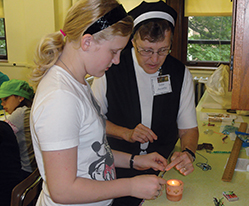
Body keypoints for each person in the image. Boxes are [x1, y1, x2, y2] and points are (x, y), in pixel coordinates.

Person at [30, 0, 167, 206]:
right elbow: (63, 191)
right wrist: (130, 186)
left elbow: (93, 150)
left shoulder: (77, 82)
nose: (117, 60)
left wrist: (134, 161)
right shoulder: (60, 99)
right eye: (113, 51)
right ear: (87, 42)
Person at [91, 1, 199, 205]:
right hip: (115, 168)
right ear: (133, 41)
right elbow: (92, 122)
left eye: (163, 50)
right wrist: (126, 133)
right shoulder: (110, 68)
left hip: (160, 169)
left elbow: (188, 130)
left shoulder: (179, 73)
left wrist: (188, 152)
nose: (155, 59)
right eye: (146, 50)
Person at [0, 79, 37, 180]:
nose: (2, 104)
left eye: (5, 99)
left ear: (20, 97)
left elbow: (3, 132)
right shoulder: (28, 110)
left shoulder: (20, 113)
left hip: (24, 171)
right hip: (32, 170)